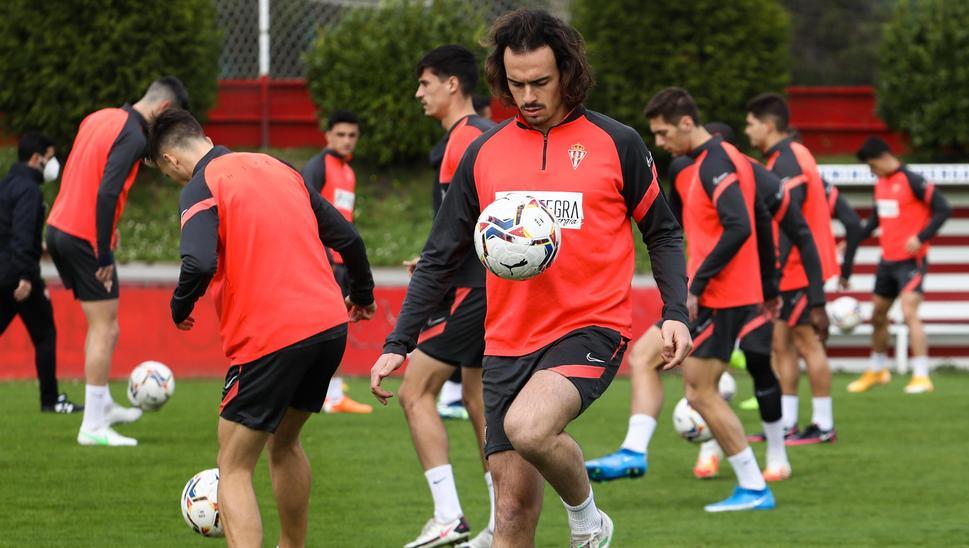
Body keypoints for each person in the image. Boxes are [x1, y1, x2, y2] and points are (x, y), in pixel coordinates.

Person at [370, 10, 692, 546]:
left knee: (530, 427)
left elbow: (663, 233)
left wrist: (675, 313)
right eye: (515, 84)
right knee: (512, 508)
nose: (527, 95)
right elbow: (440, 254)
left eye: (540, 82)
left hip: (590, 327)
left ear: (567, 72)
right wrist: (398, 341)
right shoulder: (485, 152)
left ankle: (588, 519)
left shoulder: (618, 143)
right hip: (507, 341)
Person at [151, 109, 376, 548]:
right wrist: (364, 295)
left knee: (233, 463)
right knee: (285, 442)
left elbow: (198, 261)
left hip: (271, 336)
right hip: (328, 326)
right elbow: (348, 238)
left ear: (171, 160)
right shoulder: (277, 166)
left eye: (165, 172)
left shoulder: (202, 184)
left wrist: (180, 305)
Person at [586, 119, 824, 482]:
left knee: (752, 365)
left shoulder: (755, 178)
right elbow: (677, 231)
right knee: (697, 377)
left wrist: (777, 290)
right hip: (707, 293)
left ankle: (775, 457)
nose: (664, 143)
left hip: (748, 293)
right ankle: (699, 451)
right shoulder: (684, 170)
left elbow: (777, 231)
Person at [640, 87, 777, 510]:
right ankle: (634, 448)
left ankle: (754, 487)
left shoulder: (719, 161)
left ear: (686, 122)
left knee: (700, 393)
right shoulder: (703, 163)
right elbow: (761, 215)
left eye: (663, 133)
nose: (660, 144)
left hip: (722, 296)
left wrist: (697, 286)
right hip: (722, 294)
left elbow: (740, 226)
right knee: (653, 362)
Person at [46, 76, 187, 446]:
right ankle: (92, 426)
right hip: (84, 239)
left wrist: (107, 230)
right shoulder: (135, 135)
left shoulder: (99, 117)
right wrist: (103, 248)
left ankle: (103, 405)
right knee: (104, 329)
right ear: (164, 110)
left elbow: (83, 176)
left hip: (60, 229)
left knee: (106, 325)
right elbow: (107, 189)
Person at [398, 44, 498, 548]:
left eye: (425, 83)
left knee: (414, 391)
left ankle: (448, 516)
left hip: (475, 292)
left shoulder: (468, 139)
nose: (419, 93)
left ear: (452, 85)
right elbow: (471, 224)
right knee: (480, 401)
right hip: (482, 285)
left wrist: (442, 270)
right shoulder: (478, 136)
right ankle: (502, 522)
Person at [743, 93, 847, 442]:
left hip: (798, 270)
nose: (747, 131)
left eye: (751, 123)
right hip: (791, 270)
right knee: (782, 344)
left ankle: (823, 425)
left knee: (807, 344)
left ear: (768, 125)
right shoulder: (787, 156)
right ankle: (786, 424)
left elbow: (793, 222)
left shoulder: (787, 160)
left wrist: (775, 266)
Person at [851, 137, 951, 394]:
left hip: (911, 261)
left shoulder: (913, 180)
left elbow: (943, 208)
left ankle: (921, 376)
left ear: (884, 157)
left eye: (872, 165)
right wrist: (854, 240)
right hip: (887, 260)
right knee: (877, 316)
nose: (871, 171)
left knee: (909, 314)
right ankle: (877, 370)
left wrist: (921, 237)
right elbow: (875, 219)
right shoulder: (880, 184)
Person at [0, 133, 80, 413]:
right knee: (45, 333)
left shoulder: (7, 184)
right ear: (37, 158)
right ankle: (50, 400)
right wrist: (24, 275)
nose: (52, 162)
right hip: (19, 276)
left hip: (4, 270)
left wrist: (37, 246)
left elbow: (8, 232)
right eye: (50, 155)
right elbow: (21, 234)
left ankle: (51, 400)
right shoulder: (29, 190)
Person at [301, 109, 373, 415]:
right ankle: (329, 395)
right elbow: (301, 209)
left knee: (335, 327)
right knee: (325, 328)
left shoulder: (348, 172)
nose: (346, 141)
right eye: (340, 135)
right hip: (324, 262)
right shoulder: (318, 167)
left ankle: (330, 391)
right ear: (328, 135)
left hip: (342, 263)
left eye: (352, 135)